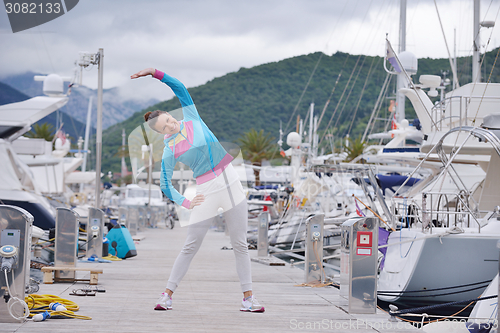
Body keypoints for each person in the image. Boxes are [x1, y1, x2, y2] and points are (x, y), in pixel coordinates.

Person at [130, 68, 264, 313]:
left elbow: (180, 88)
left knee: (240, 244)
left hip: (232, 184)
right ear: (161, 133)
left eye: (170, 120)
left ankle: (248, 298)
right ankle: (167, 295)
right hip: (206, 191)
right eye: (165, 127)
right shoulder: (170, 150)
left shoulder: (191, 117)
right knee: (191, 245)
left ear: (172, 115)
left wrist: (156, 74)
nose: (171, 125)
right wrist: (186, 203)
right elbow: (165, 184)